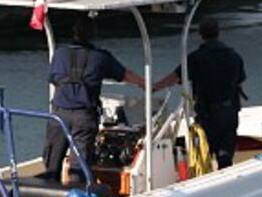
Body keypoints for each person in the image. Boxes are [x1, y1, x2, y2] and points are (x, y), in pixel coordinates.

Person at [42, 16, 145, 182]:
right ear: (93, 35)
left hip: (59, 115)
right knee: (78, 165)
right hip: (84, 116)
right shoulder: (101, 57)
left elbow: (53, 79)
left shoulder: (60, 54)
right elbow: (125, 75)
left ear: (74, 33)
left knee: (52, 163)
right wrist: (146, 84)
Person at [153, 16, 246, 168]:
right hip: (229, 113)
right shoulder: (234, 56)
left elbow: (174, 78)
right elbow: (241, 82)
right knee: (225, 157)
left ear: (200, 35)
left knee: (203, 158)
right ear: (218, 32)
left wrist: (155, 87)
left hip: (208, 116)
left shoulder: (196, 58)